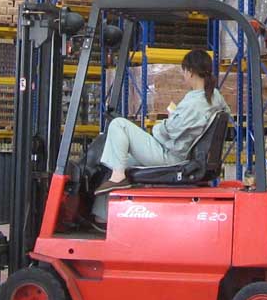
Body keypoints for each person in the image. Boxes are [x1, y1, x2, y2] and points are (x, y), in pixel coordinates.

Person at [96, 49, 228, 194]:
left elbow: (172, 130)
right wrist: (176, 117)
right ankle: (113, 183)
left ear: (190, 72)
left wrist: (159, 127)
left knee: (119, 124)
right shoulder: (215, 97)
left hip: (171, 156)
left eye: (184, 71)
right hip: (180, 152)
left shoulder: (195, 102)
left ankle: (118, 178)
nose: (184, 75)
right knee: (119, 158)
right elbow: (191, 123)